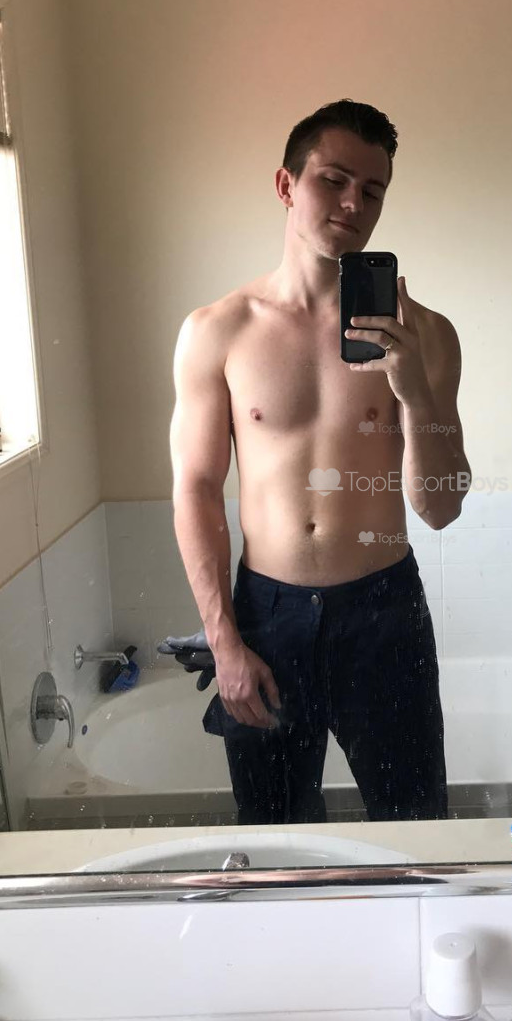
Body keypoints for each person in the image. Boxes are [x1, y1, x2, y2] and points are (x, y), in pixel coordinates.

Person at [169, 99, 469, 824]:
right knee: (275, 842)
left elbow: (439, 506)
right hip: (266, 618)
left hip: (383, 614)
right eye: (333, 180)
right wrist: (225, 642)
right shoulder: (218, 331)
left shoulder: (426, 336)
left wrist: (413, 391)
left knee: (415, 830)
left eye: (372, 190)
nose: (353, 203)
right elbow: (197, 490)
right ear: (286, 185)